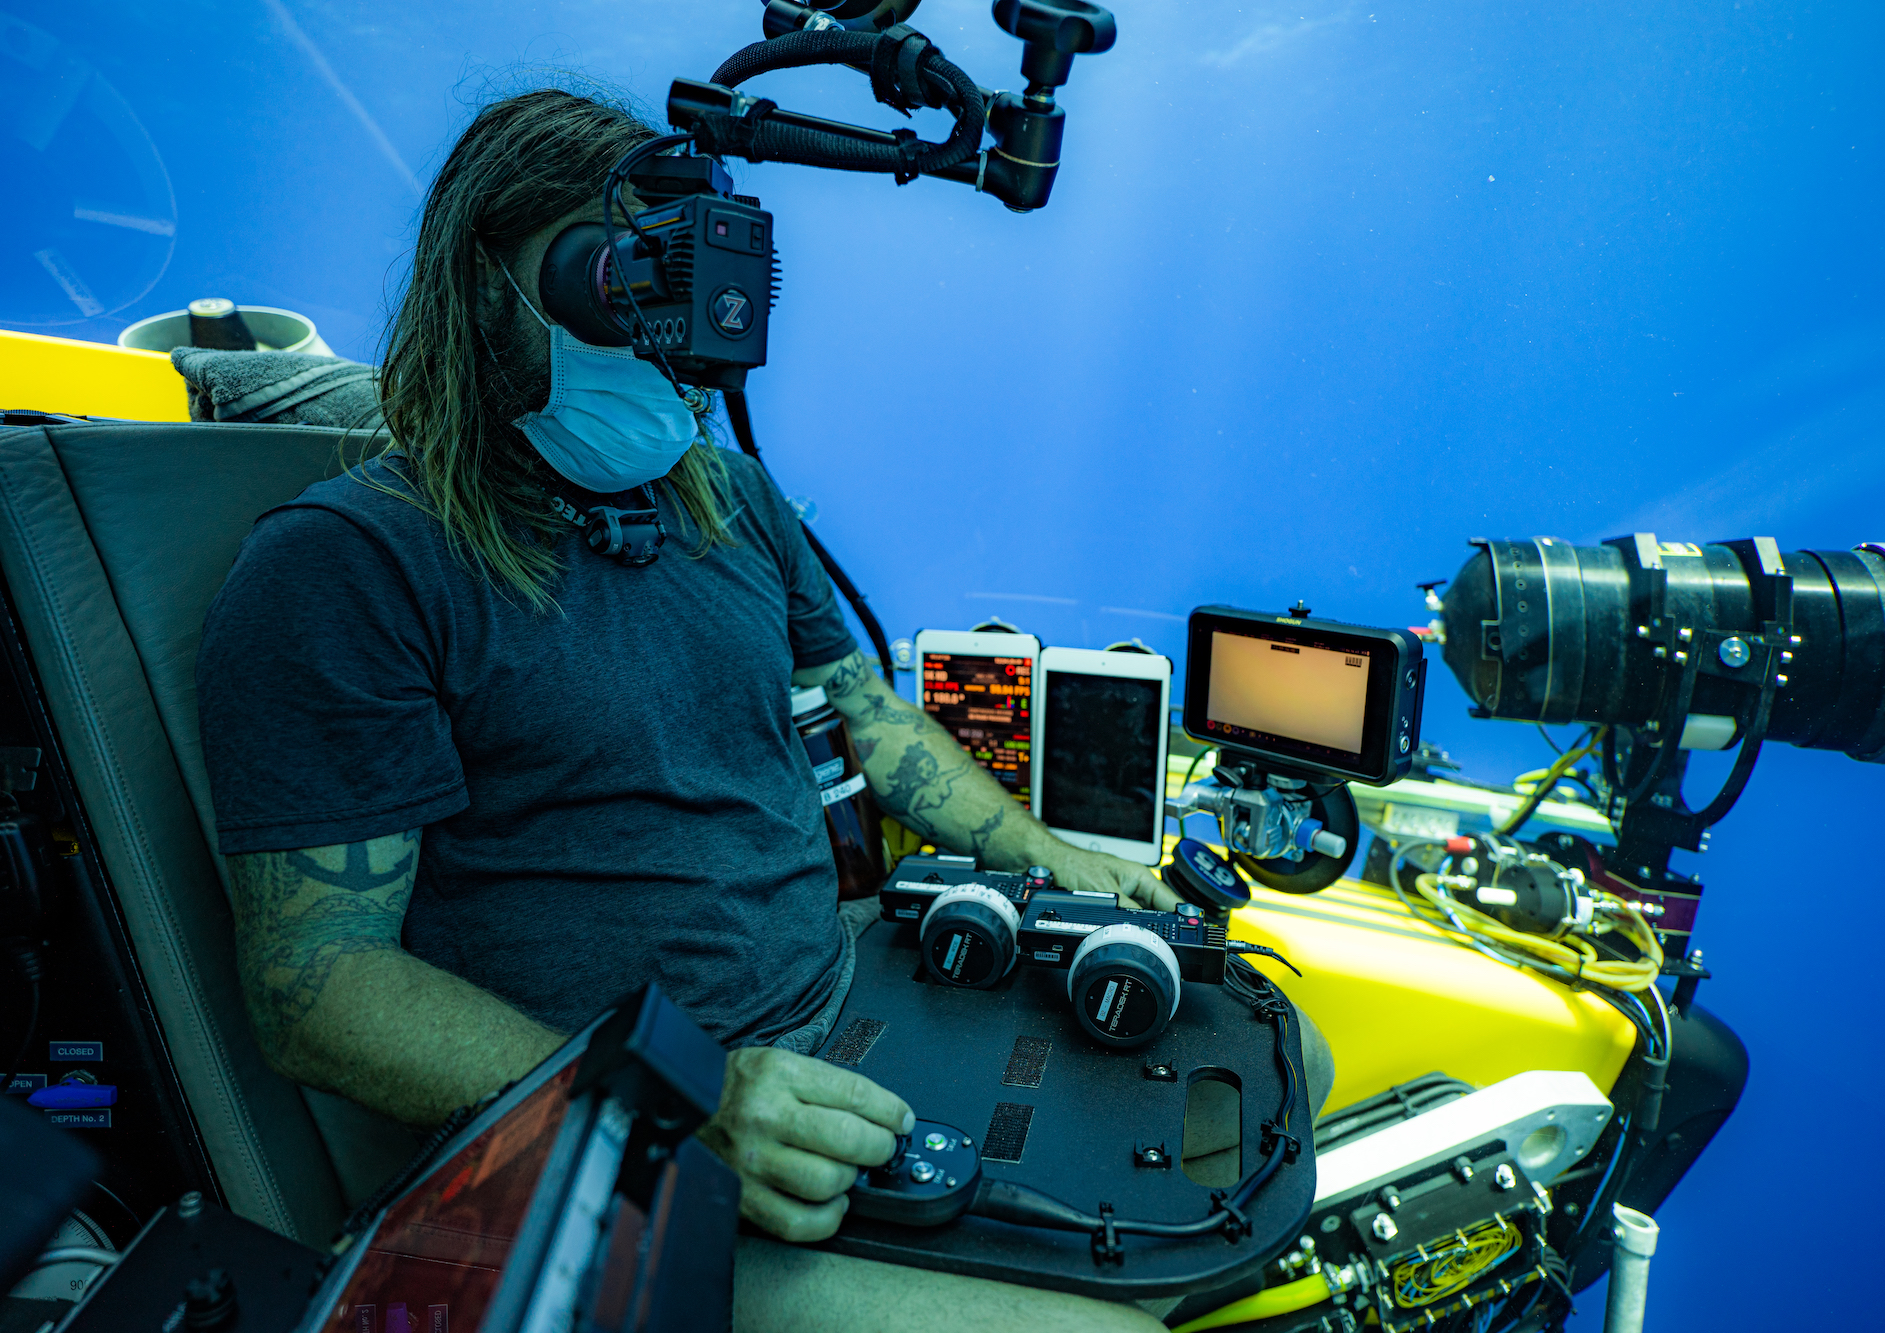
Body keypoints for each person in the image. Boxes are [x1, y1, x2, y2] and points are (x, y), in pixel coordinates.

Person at [196, 88, 1330, 1332]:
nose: (668, 336)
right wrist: (675, 1101)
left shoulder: (727, 496)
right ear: (482, 290)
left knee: (1273, 1070)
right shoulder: (346, 565)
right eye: (625, 280)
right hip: (618, 1136)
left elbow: (870, 720)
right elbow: (316, 983)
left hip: (851, 995)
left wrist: (1058, 862)